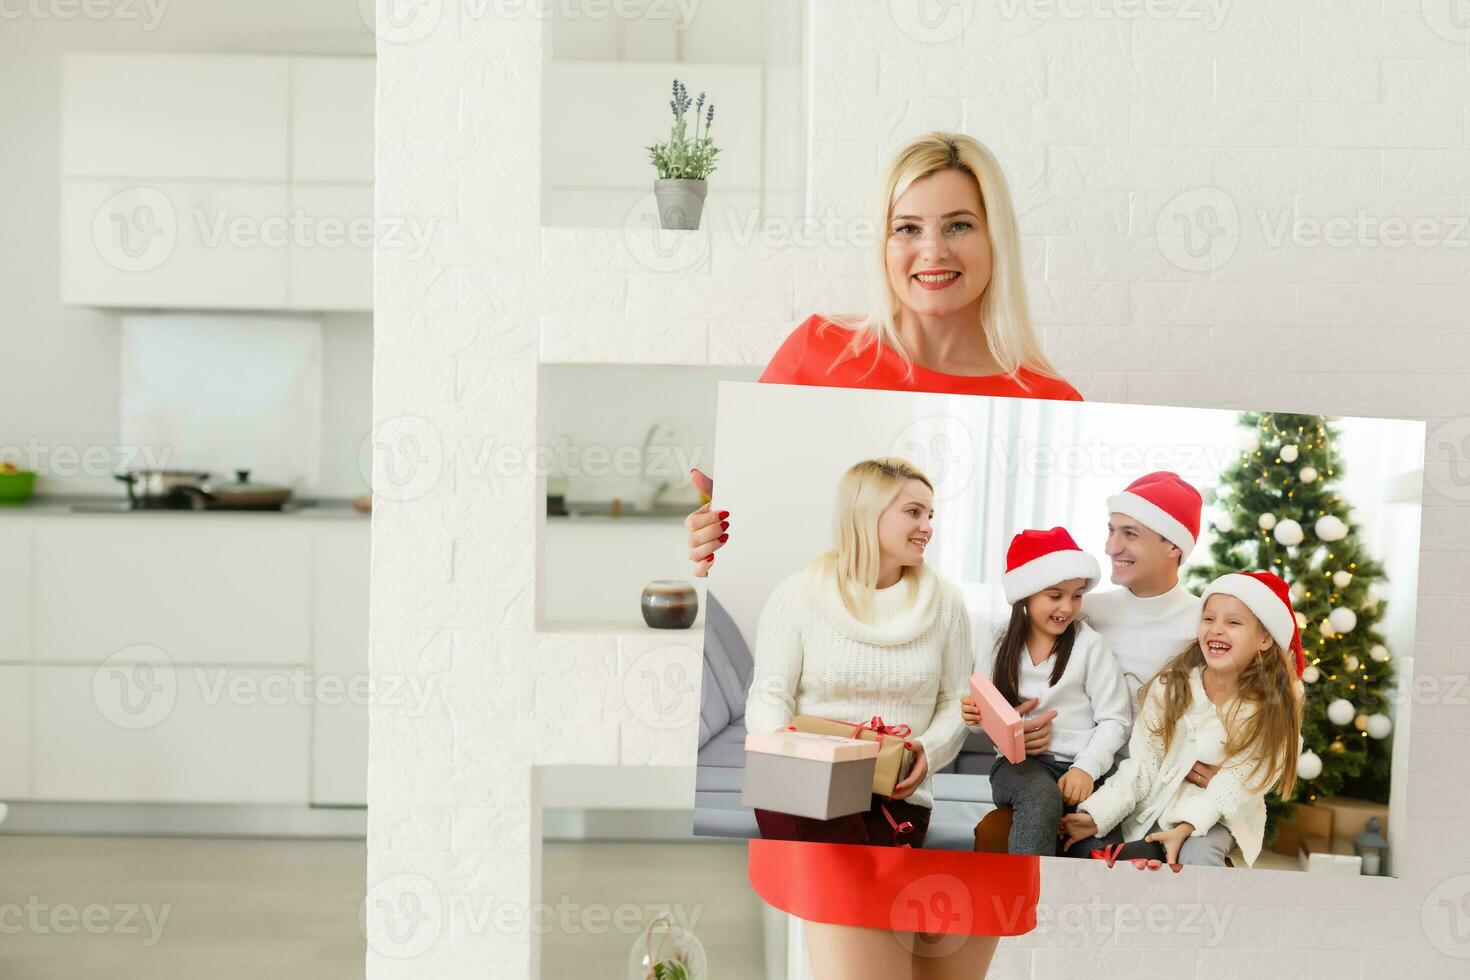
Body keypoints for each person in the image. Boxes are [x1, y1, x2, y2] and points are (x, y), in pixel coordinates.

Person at [685, 131, 1081, 978]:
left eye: (959, 226)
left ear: (995, 238)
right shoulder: (819, 354)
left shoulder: (1050, 401)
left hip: (942, 821)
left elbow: (1007, 652)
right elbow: (731, 534)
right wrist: (703, 540)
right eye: (908, 227)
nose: (931, 252)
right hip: (834, 824)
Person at [745, 458, 971, 853]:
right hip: (805, 784)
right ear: (867, 514)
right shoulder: (797, 595)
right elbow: (769, 693)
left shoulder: (947, 604)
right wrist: (788, 755)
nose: (927, 528)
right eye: (913, 512)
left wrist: (929, 752)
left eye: (930, 515)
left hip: (895, 794)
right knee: (829, 842)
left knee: (843, 858)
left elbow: (956, 700)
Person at [1060, 571, 1306, 868]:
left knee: (1198, 855)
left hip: (1219, 812)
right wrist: (1096, 815)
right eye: (1209, 619)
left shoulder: (1271, 708)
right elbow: (1142, 767)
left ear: (1265, 638)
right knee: (1100, 855)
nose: (1216, 629)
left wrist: (1185, 827)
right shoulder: (1171, 687)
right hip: (1154, 804)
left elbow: (1239, 784)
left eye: (1233, 622)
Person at [961, 527, 1130, 856]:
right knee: (1041, 796)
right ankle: (1028, 895)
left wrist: (1086, 768)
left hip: (1082, 769)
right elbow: (980, 721)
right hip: (1020, 767)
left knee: (1097, 842)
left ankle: (1081, 904)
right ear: (1026, 594)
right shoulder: (995, 642)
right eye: (1055, 595)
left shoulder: (1089, 645)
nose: (1067, 607)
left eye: (1077, 595)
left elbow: (1116, 719)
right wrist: (973, 717)